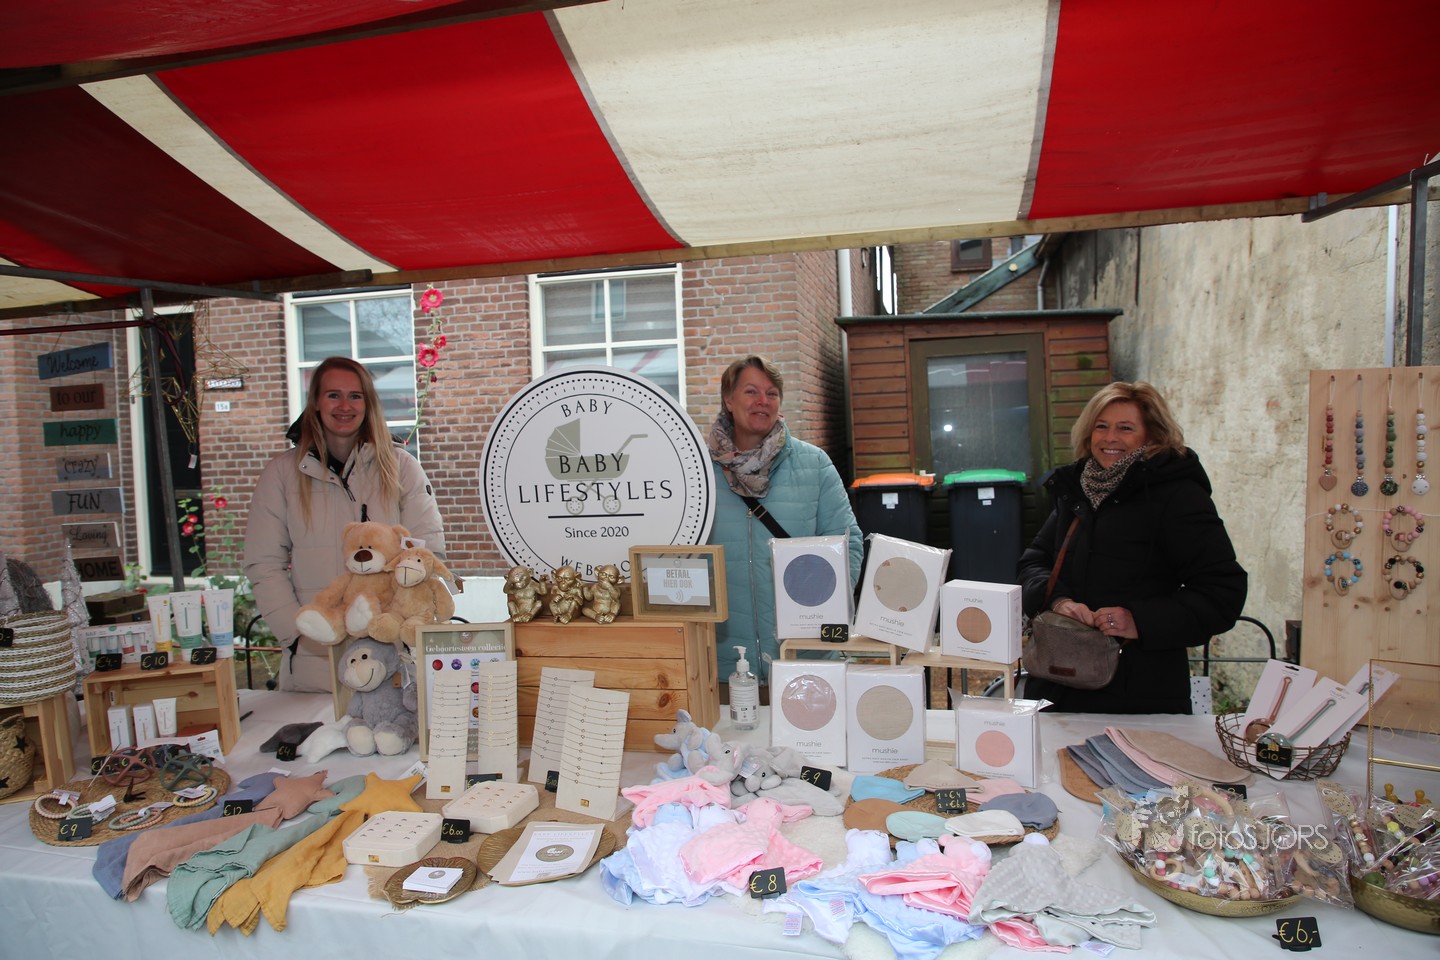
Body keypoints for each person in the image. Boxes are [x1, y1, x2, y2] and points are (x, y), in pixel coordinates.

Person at [1016, 381, 1246, 713]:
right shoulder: (1076, 490)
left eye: (1125, 428)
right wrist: (1058, 600)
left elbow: (1223, 591)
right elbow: (1033, 562)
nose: (1110, 438)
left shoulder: (1177, 496)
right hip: (1058, 683)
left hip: (1140, 693)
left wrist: (1140, 620)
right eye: (1101, 426)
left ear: (1151, 435)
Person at [244, 356, 444, 692]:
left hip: (391, 661)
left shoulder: (402, 468)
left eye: (355, 396)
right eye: (333, 395)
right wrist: (299, 635)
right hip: (314, 664)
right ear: (316, 402)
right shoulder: (281, 475)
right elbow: (263, 565)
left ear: (368, 403)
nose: (344, 406)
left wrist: (403, 625)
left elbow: (426, 555)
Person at [705, 356, 863, 695]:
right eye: (751, 391)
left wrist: (821, 606)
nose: (763, 401)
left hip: (803, 660)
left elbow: (848, 543)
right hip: (721, 667)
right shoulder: (697, 471)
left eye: (772, 393)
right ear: (728, 400)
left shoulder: (814, 464)